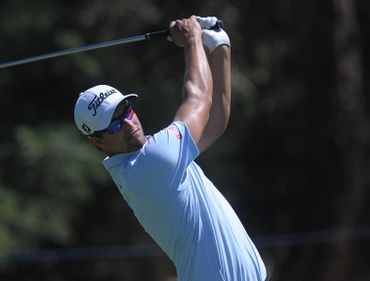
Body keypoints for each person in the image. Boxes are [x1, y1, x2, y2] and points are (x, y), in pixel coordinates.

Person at [73, 16, 267, 281]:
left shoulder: (157, 158)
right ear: (97, 142)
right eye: (114, 124)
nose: (128, 123)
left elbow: (215, 121)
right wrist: (192, 40)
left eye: (127, 111)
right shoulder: (149, 165)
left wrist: (219, 45)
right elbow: (198, 98)